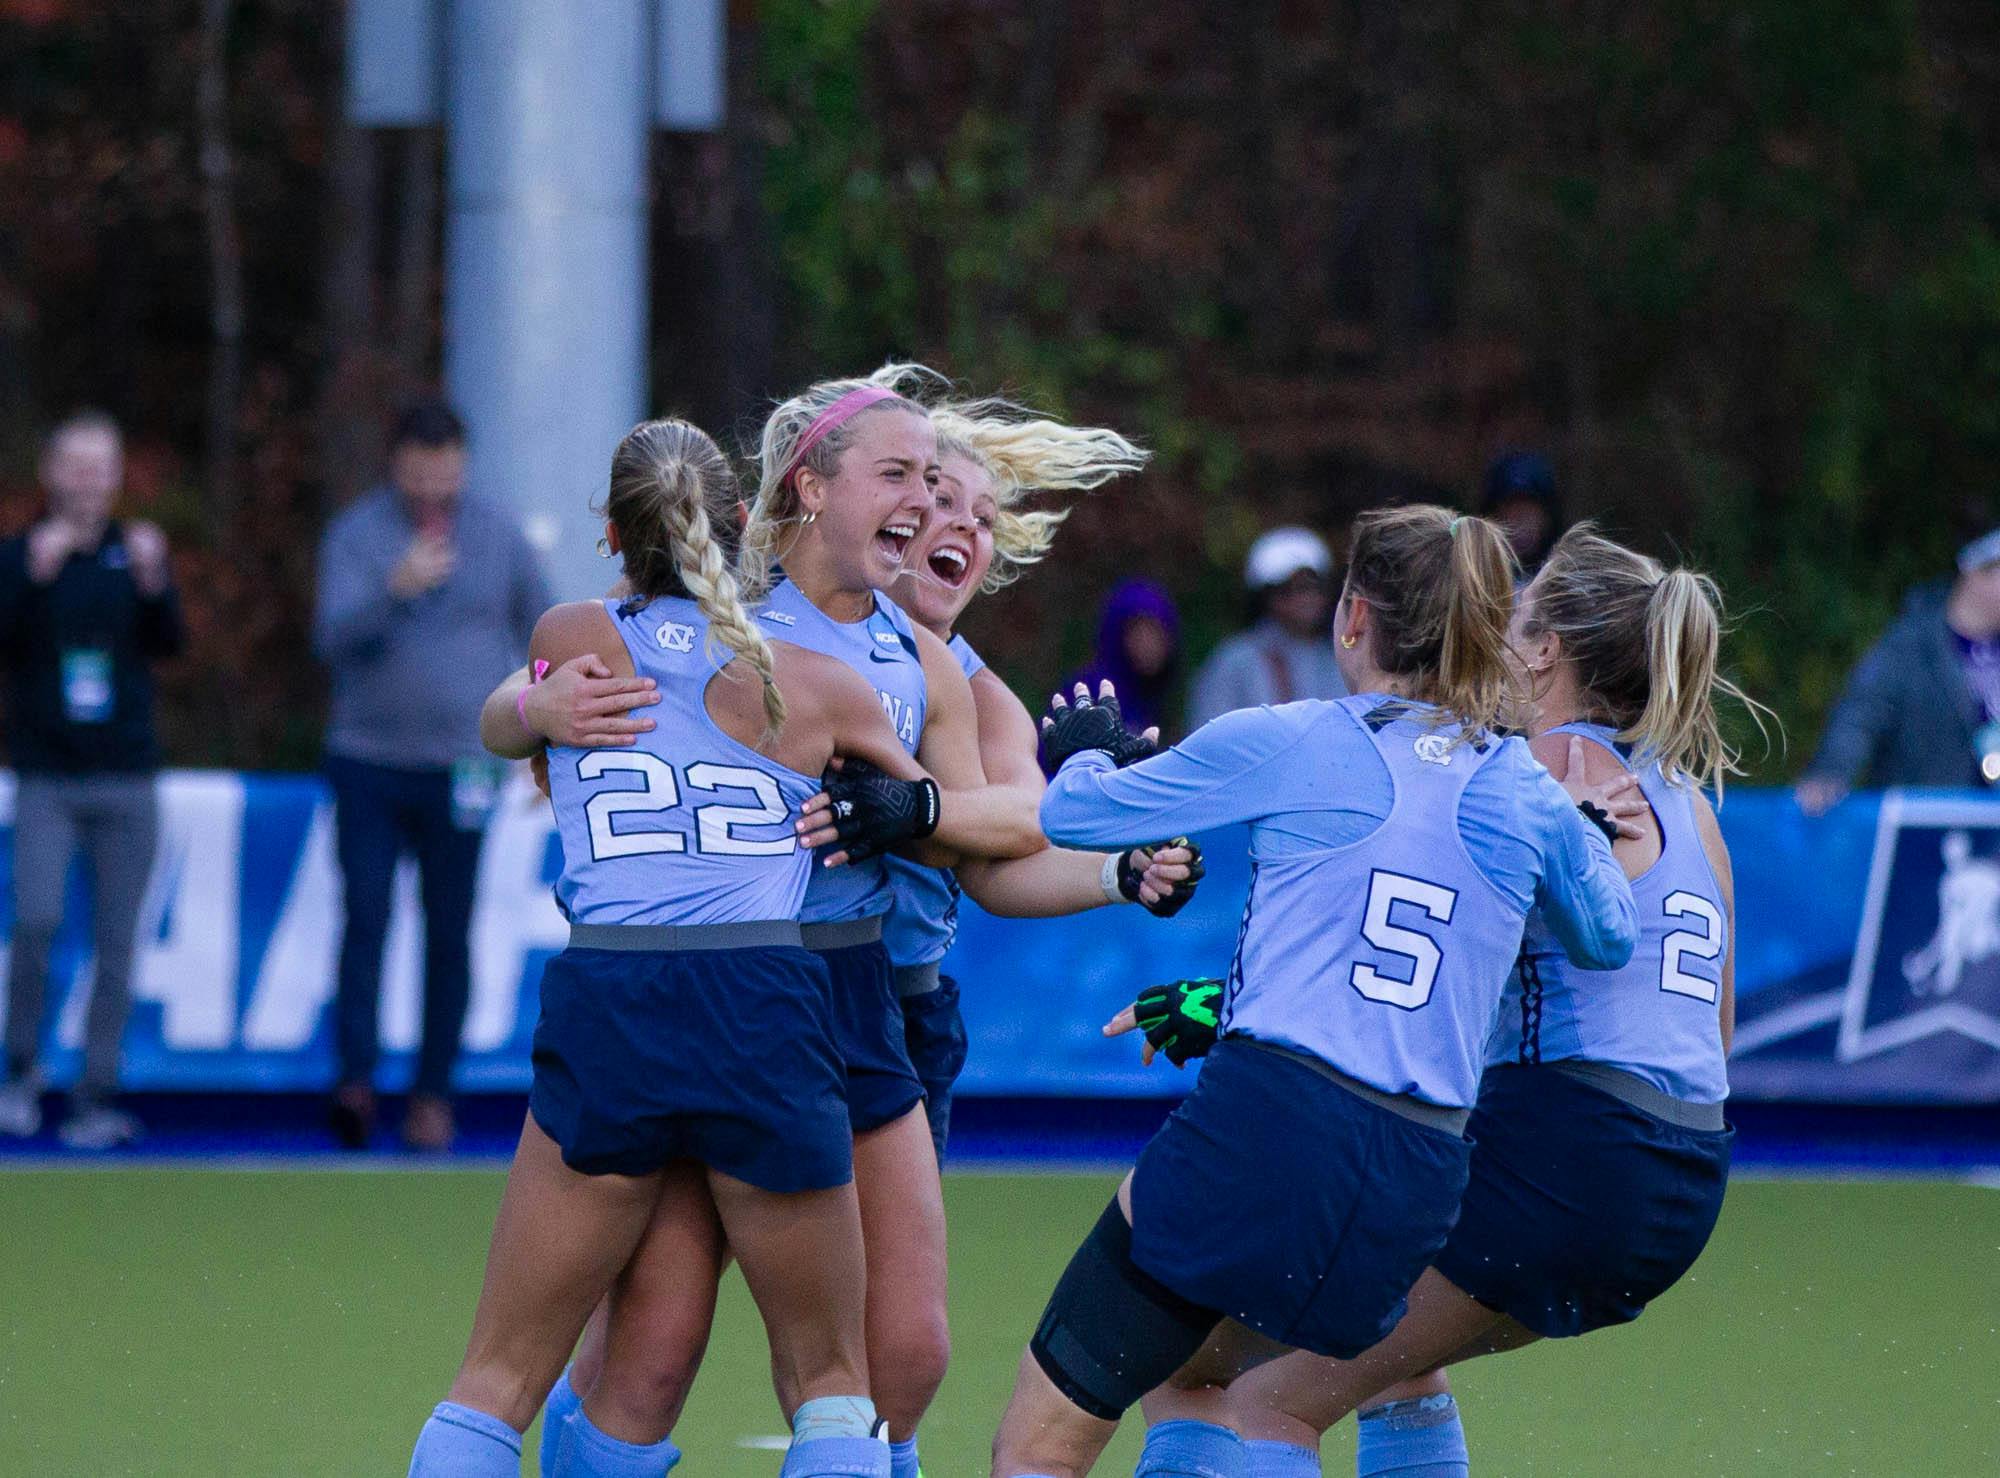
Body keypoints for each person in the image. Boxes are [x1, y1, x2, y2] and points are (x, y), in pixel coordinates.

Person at [989, 505, 1642, 1478]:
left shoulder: (1292, 735)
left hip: (1270, 1122)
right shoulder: (1524, 789)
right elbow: (1607, 936)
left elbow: (1073, 811)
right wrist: (1584, 833)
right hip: (1418, 1171)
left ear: (1352, 620)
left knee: (1037, 1446)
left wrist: (1089, 741)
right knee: (1224, 1375)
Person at [1123, 526, 1755, 1478]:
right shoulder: (1690, 803)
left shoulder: (1523, 776)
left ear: (1543, 650)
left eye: (1517, 613)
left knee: (1226, 1380)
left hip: (1566, 1156)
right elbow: (1712, 1035)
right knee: (1390, 1368)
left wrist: (1217, 1007)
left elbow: (1418, 970)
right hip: (1685, 1180)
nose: (1491, 627)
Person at [408, 418, 933, 1478]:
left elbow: (500, 725)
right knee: (831, 1382)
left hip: (613, 992)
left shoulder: (572, 633)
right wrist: (894, 804)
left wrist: (533, 701)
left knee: (496, 1379)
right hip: (765, 997)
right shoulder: (815, 678)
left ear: (612, 532)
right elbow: (928, 802)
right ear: (744, 526)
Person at [312, 399, 551, 1151]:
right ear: (396, 463)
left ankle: (433, 1096)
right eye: (416, 467)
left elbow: (542, 635)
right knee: (366, 919)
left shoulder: (498, 534)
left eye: (443, 465)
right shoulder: (358, 534)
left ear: (462, 462)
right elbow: (330, 637)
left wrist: (531, 733)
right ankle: (355, 1084)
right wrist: (395, 590)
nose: (430, 481)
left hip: (465, 768)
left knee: (450, 933)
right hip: (369, 760)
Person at [0, 411, 180, 1149]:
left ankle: (94, 1095)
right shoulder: (22, 555)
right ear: (50, 473)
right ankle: (19, 1073)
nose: (86, 480)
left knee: (118, 943)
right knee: (37, 924)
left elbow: (170, 644)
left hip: (126, 776)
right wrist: (30, 579)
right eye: (73, 465)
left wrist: (155, 582)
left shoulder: (134, 552)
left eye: (99, 466)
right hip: (48, 774)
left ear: (115, 477)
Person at [1796, 528, 2000, 814]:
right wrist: (1830, 772)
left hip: (1990, 834)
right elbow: (1861, 712)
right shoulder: (1912, 644)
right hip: (1923, 825)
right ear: (1977, 572)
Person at [1187, 526, 1345, 727]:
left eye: (1311, 587)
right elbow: (1206, 736)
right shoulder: (1235, 662)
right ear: (1265, 597)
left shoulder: (1340, 656)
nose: (1303, 599)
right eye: (1287, 591)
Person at [1065, 577, 1181, 741]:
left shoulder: (1154, 700)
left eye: (1156, 633)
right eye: (1138, 633)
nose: (1149, 645)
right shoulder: (1091, 696)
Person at [1479, 449, 1563, 575]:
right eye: (1511, 512)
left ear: (1547, 518)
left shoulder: (1566, 579)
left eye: (1528, 513)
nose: (1519, 525)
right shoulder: (1476, 577)